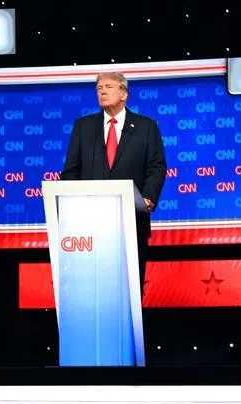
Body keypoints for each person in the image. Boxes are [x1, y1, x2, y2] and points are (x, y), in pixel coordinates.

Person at [61, 72, 167, 294]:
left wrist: (147, 198)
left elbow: (156, 166)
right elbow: (71, 170)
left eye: (108, 86)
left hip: (131, 219)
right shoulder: (83, 126)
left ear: (124, 94)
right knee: (93, 287)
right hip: (89, 224)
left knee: (129, 287)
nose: (102, 91)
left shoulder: (146, 126)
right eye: (99, 87)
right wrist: (72, 206)